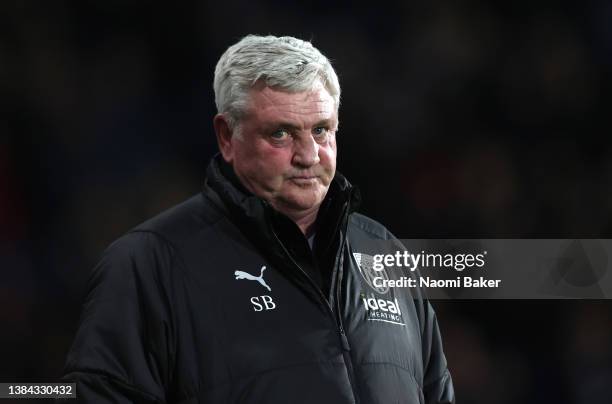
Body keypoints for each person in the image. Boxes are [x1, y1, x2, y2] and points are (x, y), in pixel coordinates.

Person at [61, 34, 455, 403]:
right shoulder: (149, 265)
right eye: (281, 135)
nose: (309, 155)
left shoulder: (382, 251)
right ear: (227, 137)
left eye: (321, 130)